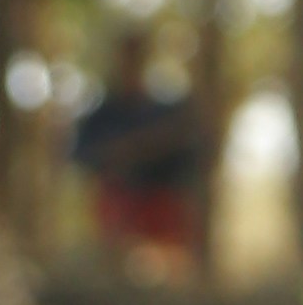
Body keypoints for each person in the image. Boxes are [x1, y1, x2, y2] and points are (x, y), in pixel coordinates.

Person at [65, 23, 216, 266]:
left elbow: (192, 158)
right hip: (118, 209)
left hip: (161, 212)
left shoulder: (164, 112)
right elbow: (80, 155)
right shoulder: (101, 115)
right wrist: (121, 152)